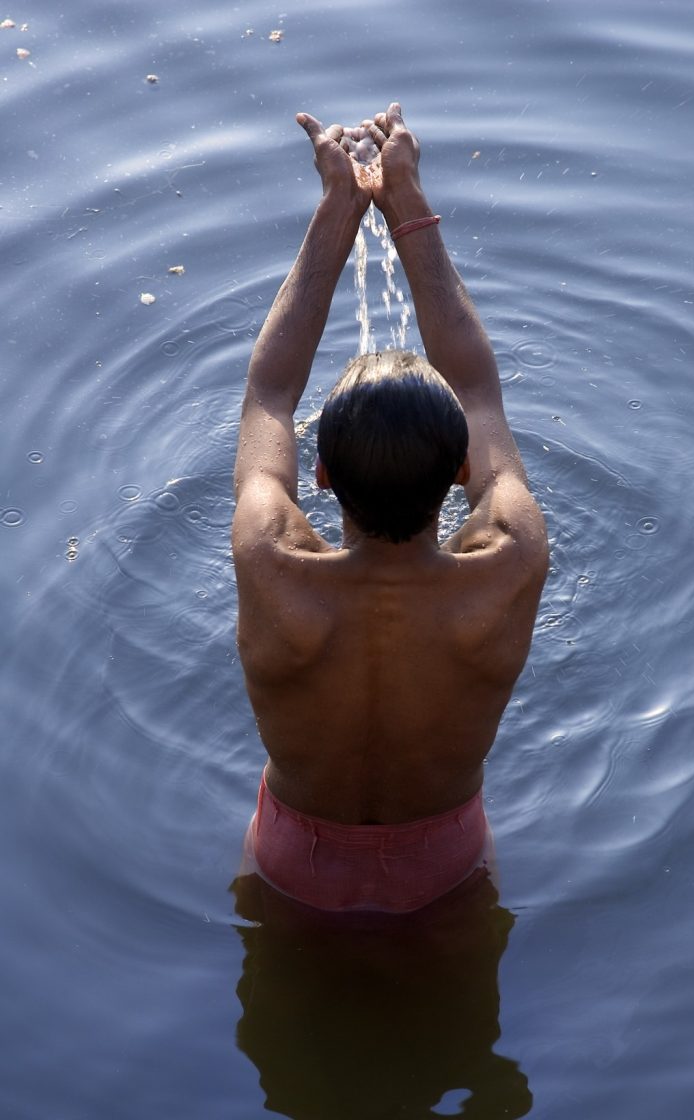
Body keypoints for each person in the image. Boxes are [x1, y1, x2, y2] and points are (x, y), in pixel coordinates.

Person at [232, 102, 549, 913]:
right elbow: (474, 382)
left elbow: (269, 392)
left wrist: (336, 213)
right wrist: (406, 200)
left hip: (292, 857)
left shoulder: (270, 559)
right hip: (442, 862)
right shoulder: (510, 556)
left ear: (322, 476)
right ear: (461, 474)